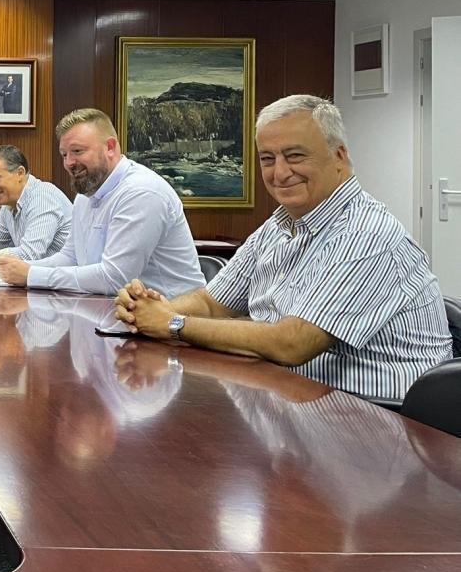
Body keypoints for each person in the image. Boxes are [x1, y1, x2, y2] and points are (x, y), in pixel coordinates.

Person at [114, 94, 450, 402]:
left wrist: (172, 323)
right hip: (291, 397)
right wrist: (147, 311)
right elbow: (211, 303)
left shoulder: (367, 234)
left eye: (295, 156)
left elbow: (293, 343)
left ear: (339, 156)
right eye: (268, 159)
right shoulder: (278, 226)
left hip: (378, 420)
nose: (280, 172)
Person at [0, 108, 205, 298]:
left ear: (110, 147)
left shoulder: (141, 192)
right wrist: (20, 268)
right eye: (64, 154)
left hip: (174, 325)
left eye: (77, 151)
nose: (69, 163)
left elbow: (115, 279)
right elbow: (71, 257)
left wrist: (31, 275)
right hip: (118, 317)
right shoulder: (85, 195)